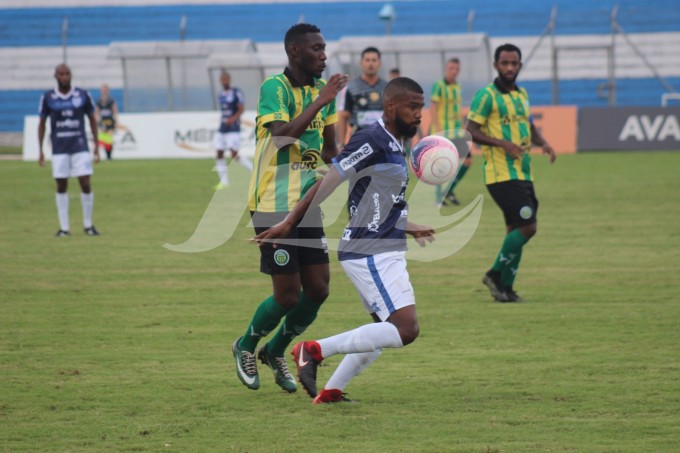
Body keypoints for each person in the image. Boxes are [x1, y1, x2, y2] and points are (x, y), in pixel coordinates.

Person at [254, 77, 435, 403]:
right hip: (370, 249)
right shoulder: (372, 138)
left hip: (383, 243)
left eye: (421, 107)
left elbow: (376, 199)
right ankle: (312, 350)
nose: (419, 114)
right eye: (412, 107)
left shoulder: (396, 141)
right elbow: (332, 178)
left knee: (382, 330)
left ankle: (331, 390)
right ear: (391, 105)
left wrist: (408, 225)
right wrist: (289, 221)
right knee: (405, 329)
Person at [231, 23, 348, 393]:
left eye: (325, 48)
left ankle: (276, 350)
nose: (324, 55)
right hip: (271, 203)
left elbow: (330, 150)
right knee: (287, 295)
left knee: (319, 289)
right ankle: (245, 345)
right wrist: (322, 100)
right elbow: (282, 138)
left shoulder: (320, 93)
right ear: (295, 51)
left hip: (306, 201)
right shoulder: (274, 89)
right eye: (317, 48)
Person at [467, 44, 556, 303]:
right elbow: (470, 130)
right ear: (496, 65)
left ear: (519, 65)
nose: (509, 68)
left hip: (523, 172)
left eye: (514, 63)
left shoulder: (522, 94)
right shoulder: (486, 96)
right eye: (504, 63)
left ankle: (506, 288)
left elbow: (528, 124)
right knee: (529, 227)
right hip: (501, 175)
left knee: (514, 230)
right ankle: (494, 274)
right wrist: (502, 143)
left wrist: (544, 142)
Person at [38, 63, 100, 237]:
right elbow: (42, 123)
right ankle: (64, 228)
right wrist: (41, 150)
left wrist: (96, 145)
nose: (65, 77)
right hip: (59, 148)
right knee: (61, 184)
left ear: (71, 75)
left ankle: (88, 225)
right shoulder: (48, 97)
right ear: (56, 76)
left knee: (85, 182)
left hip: (80, 146)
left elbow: (92, 120)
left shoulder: (82, 95)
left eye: (67, 74)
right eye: (61, 74)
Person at [429, 58, 468, 206]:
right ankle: (439, 197)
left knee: (467, 161)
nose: (454, 71)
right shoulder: (438, 86)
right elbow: (432, 108)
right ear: (446, 68)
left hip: (456, 132)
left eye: (457, 69)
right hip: (443, 131)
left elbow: (457, 108)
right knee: (441, 164)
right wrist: (438, 128)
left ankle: (449, 189)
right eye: (451, 68)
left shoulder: (458, 86)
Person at [336, 47, 388, 148]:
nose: (370, 64)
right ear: (361, 63)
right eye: (367, 60)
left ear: (379, 63)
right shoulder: (351, 88)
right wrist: (341, 144)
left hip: (383, 140)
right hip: (358, 140)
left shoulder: (387, 87)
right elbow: (344, 116)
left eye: (374, 60)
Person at [214, 71, 252, 189]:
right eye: (222, 79)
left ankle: (254, 171)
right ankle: (224, 182)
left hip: (233, 128)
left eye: (225, 79)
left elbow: (241, 109)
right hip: (222, 128)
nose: (224, 81)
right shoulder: (221, 94)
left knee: (234, 154)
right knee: (219, 153)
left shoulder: (236, 92)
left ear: (229, 80)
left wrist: (233, 119)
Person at [95, 84, 119, 160]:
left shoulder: (111, 100)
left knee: (109, 139)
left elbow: (115, 111)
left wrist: (115, 122)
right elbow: (97, 112)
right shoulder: (99, 101)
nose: (104, 91)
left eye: (105, 90)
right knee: (103, 140)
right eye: (102, 89)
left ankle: (109, 156)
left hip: (110, 122)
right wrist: (98, 122)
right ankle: (102, 155)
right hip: (102, 122)